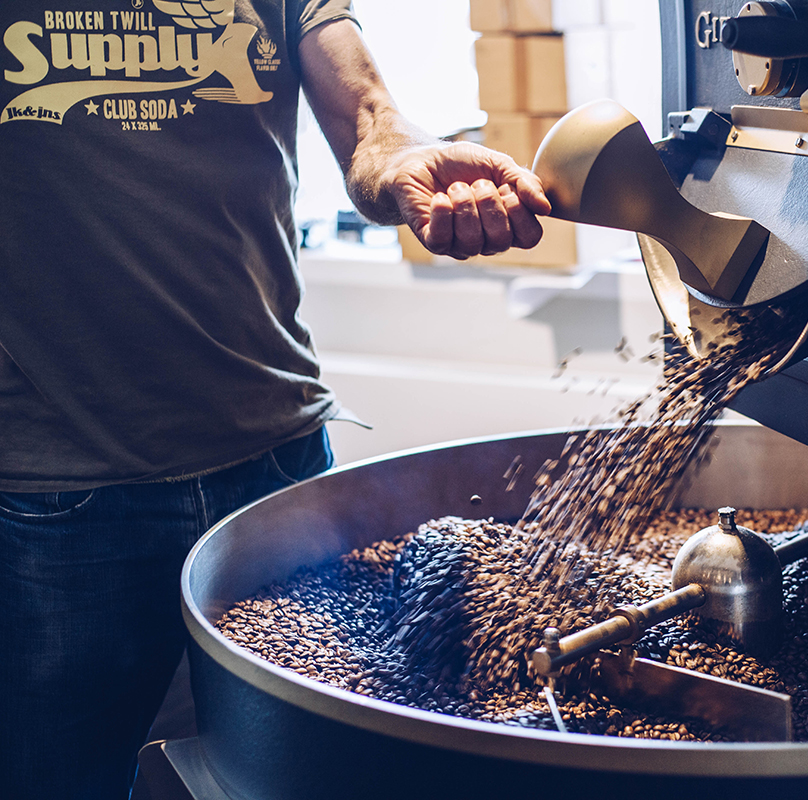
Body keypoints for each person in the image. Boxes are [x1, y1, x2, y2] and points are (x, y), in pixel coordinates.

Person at [0, 1, 551, 797]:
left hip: (277, 462)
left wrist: (410, 165)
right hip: (59, 494)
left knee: (298, 771)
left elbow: (369, 117)